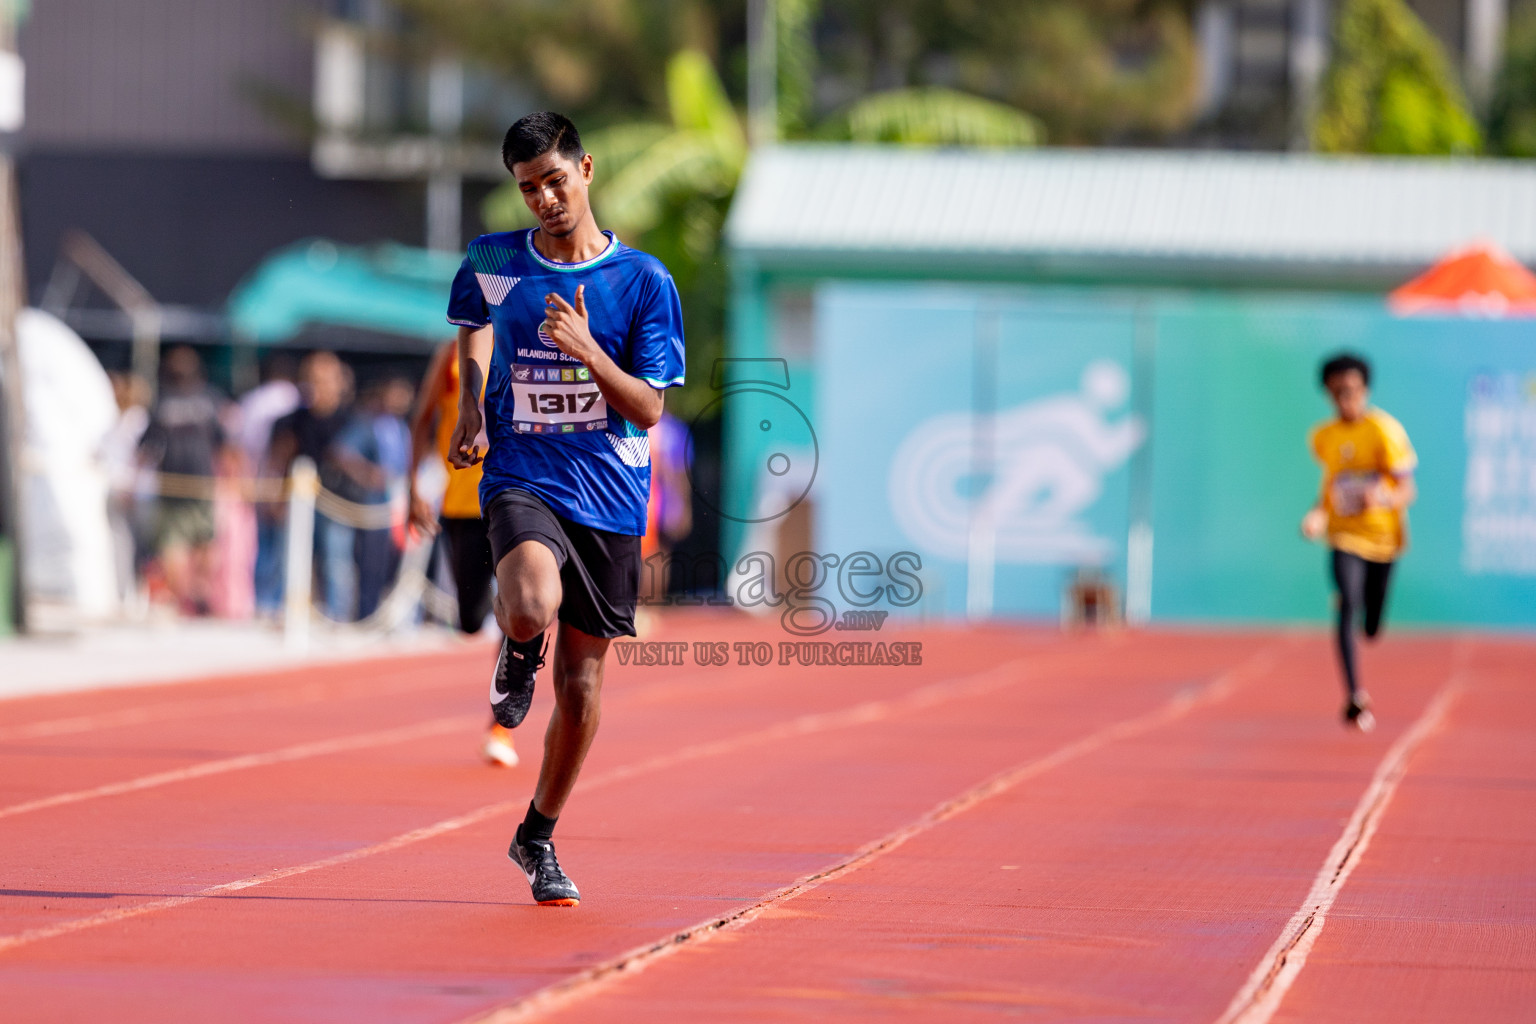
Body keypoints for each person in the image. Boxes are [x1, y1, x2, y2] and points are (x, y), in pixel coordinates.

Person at [446, 111, 685, 906]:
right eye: (527, 188)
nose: (543, 198)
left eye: (554, 180)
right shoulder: (496, 260)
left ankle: (536, 835)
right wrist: (472, 404)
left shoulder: (643, 281)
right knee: (529, 602)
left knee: (582, 690)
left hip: (610, 497)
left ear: (586, 168)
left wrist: (589, 353)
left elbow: (648, 408)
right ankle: (518, 651)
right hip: (523, 474)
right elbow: (474, 325)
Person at [407, 336, 518, 767]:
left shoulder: (525, 341)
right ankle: (502, 605)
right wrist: (412, 489)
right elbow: (421, 420)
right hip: (461, 503)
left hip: (514, 500)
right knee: (470, 621)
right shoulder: (448, 354)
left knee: (520, 612)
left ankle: (501, 727)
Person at [1301, 353, 1417, 732]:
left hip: (1383, 540)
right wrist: (1317, 513)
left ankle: (1371, 620)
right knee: (1346, 602)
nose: (1343, 399)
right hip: (1345, 535)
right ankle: (1353, 695)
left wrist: (1380, 497)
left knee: (1371, 624)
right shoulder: (1324, 437)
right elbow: (1331, 484)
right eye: (1335, 392)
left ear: (1365, 390)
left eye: (1350, 390)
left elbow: (1407, 489)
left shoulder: (1385, 431)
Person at [138, 346, 227, 616]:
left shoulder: (166, 403)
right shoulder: (208, 400)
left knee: (195, 545)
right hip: (190, 486)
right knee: (192, 544)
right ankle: (193, 595)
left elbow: (145, 452)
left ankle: (190, 597)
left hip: (186, 486)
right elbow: (225, 446)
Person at [269, 351, 353, 619]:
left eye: (325, 380)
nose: (318, 386)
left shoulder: (350, 420)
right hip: (299, 501)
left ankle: (337, 616)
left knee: (336, 561)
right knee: (291, 558)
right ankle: (287, 611)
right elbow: (280, 459)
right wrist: (279, 497)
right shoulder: (292, 420)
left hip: (337, 501)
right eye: (313, 379)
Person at [330, 376, 413, 621]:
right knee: (370, 563)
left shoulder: (401, 426)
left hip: (395, 504)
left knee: (391, 563)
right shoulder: (368, 423)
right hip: (373, 506)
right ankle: (366, 614)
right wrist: (367, 474)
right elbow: (341, 452)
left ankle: (382, 613)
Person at [238, 355, 301, 617]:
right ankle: (278, 601)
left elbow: (242, 443)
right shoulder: (296, 398)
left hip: (259, 475)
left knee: (263, 544)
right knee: (286, 545)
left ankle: (263, 601)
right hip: (288, 478)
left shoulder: (253, 401)